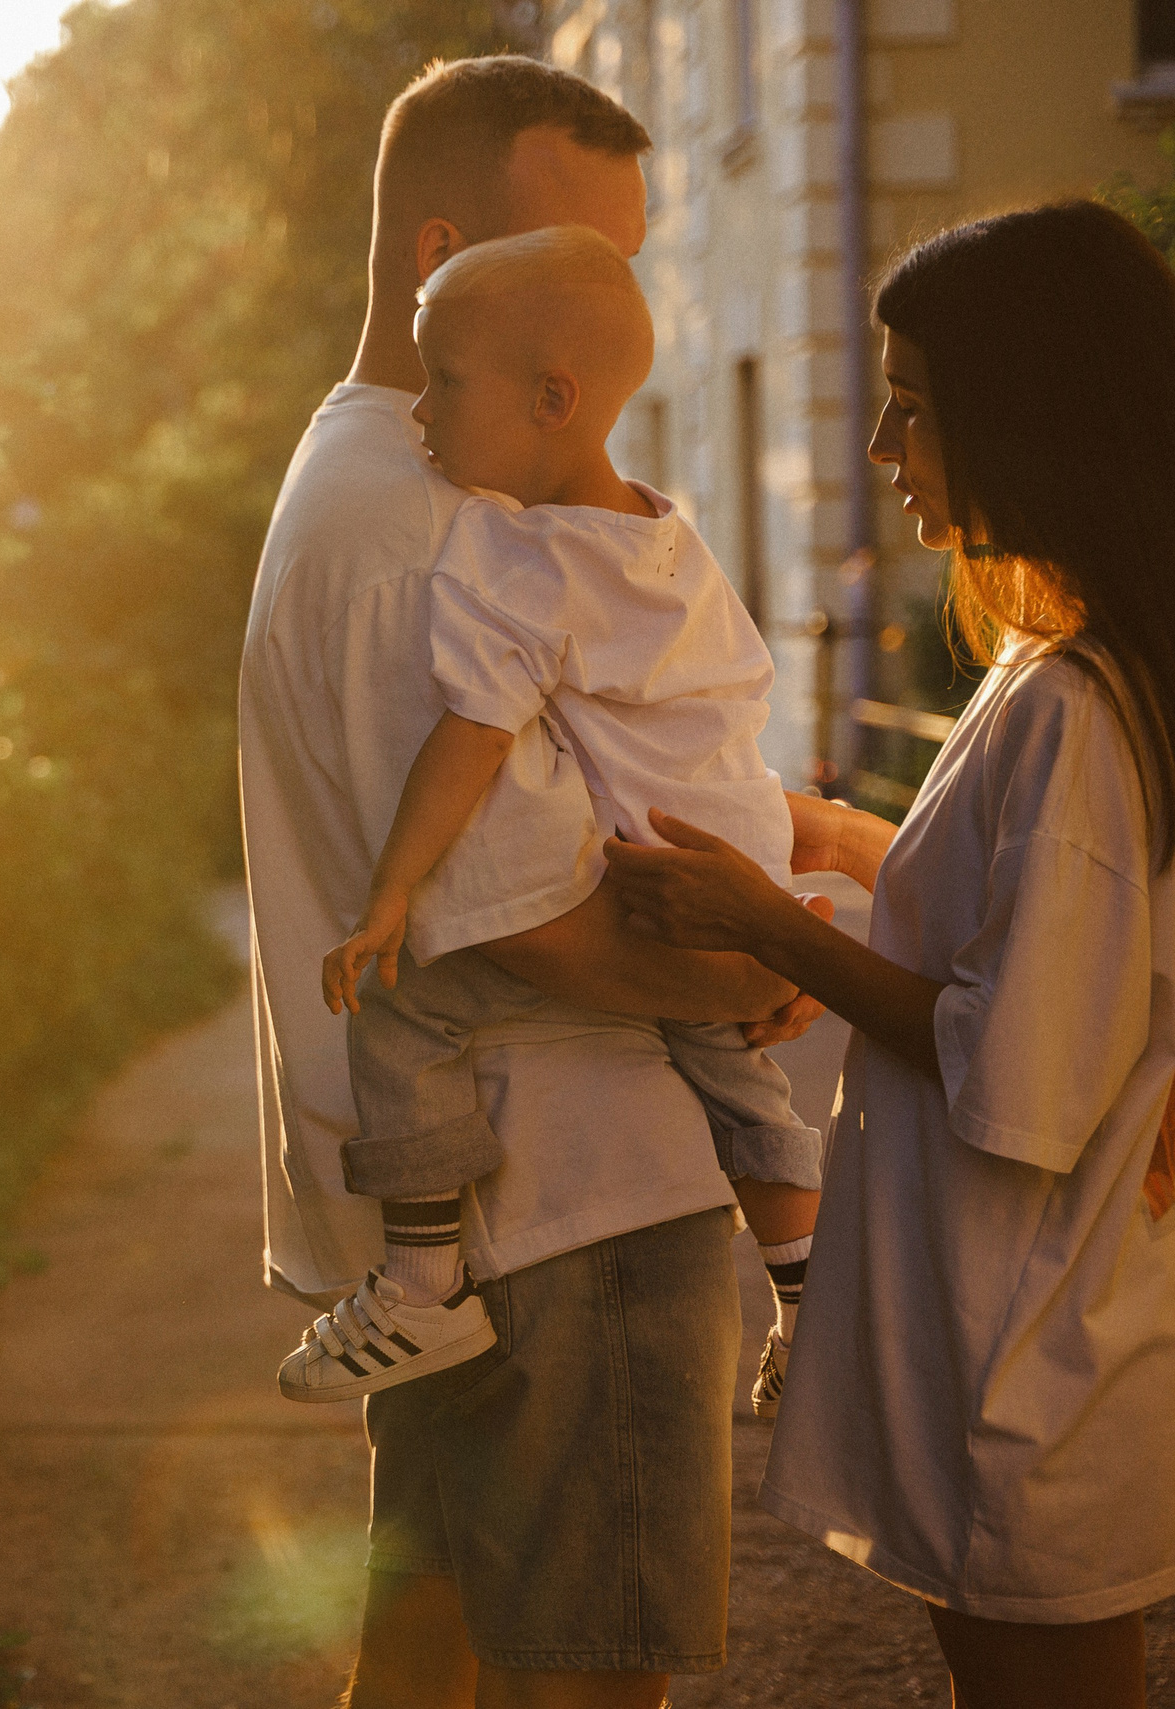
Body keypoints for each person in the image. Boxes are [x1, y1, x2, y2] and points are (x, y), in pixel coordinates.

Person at [238, 54, 819, 1708]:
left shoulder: (404, 483)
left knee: (432, 1666)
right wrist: (765, 966)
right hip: (572, 1207)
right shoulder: (430, 522)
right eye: (591, 261)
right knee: (581, 1682)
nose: (617, 319)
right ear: (444, 266)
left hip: (493, 1217)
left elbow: (602, 780)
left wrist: (801, 834)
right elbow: (535, 902)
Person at [599, 200, 1175, 1709]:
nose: (877, 449)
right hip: (1005, 1340)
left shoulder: (1074, 708)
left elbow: (1020, 1065)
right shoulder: (1059, 664)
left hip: (1022, 1362)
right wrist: (846, 842)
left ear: (1026, 417)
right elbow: (1039, 919)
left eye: (911, 408)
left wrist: (763, 920)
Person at [275, 225, 824, 1418]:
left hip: (657, 903)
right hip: (740, 887)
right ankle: (806, 1300)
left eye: (444, 378)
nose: (418, 409)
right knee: (744, 1088)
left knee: (404, 998)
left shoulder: (514, 558)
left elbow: (465, 743)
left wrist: (389, 898)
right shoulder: (675, 544)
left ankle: (422, 1282)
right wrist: (782, 920)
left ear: (549, 398)